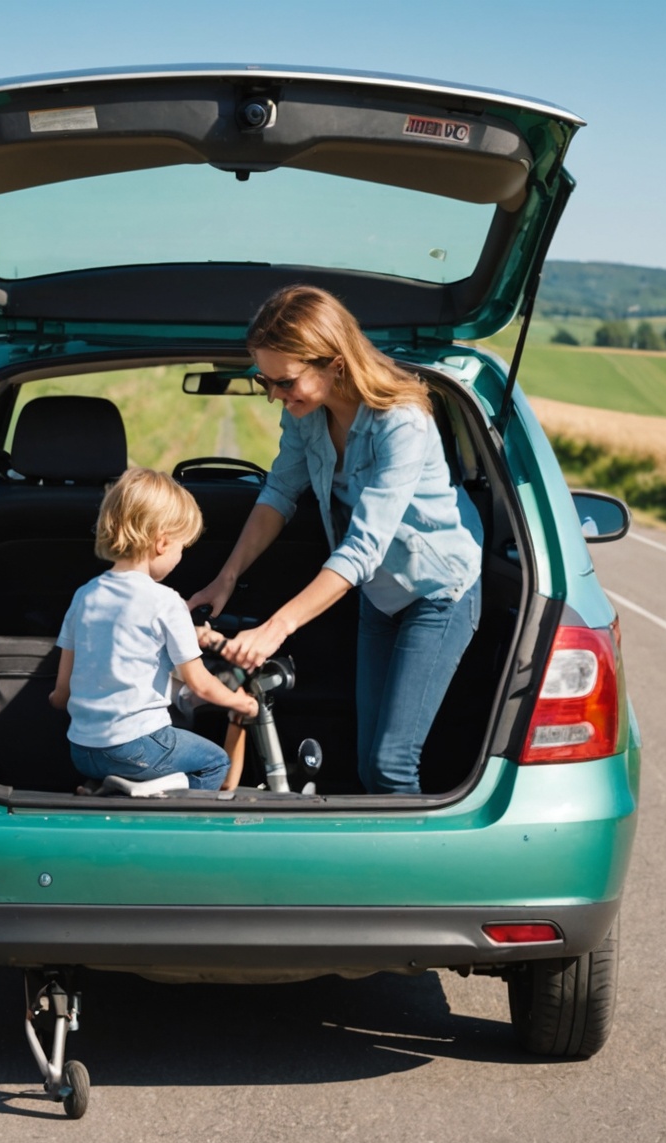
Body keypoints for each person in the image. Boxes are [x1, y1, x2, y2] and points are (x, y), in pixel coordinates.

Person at [187, 285, 484, 794]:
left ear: (335, 364)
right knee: (368, 762)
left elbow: (363, 548)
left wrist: (274, 629)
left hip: (438, 591)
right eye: (265, 381)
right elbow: (280, 490)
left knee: (392, 766)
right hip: (378, 594)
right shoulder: (306, 414)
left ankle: (405, 874)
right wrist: (225, 579)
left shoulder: (402, 422)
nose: (276, 395)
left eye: (284, 381)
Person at [51, 468, 258, 793]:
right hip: (135, 747)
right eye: (181, 548)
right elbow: (200, 685)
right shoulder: (166, 601)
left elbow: (62, 693)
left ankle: (107, 789)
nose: (180, 557)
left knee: (134, 754)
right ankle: (150, 800)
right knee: (215, 763)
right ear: (162, 543)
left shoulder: (84, 596)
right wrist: (238, 702)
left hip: (82, 750)